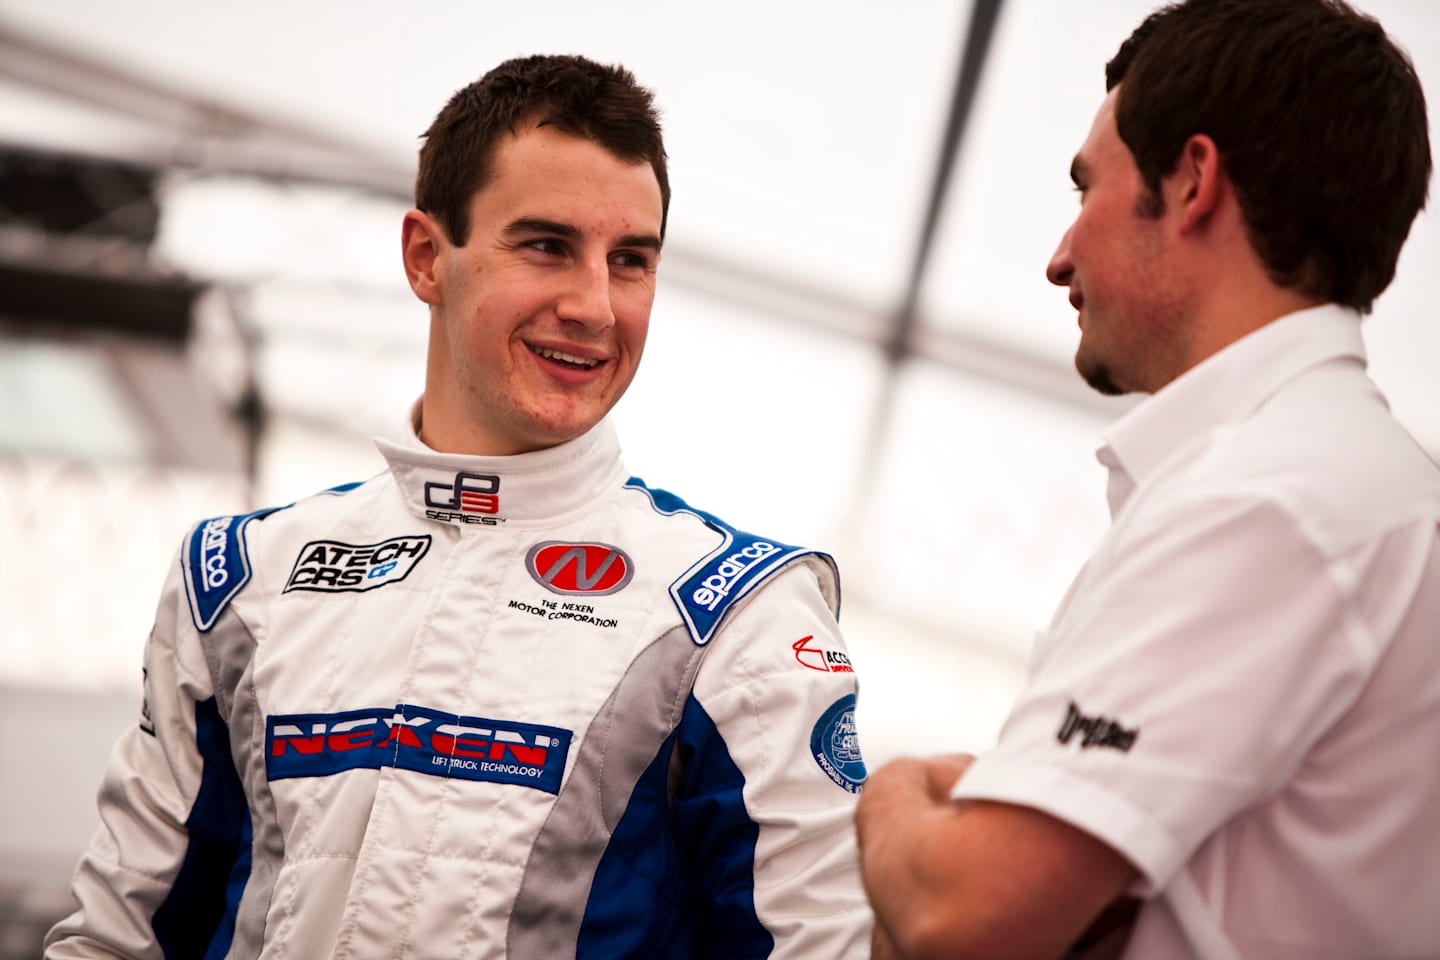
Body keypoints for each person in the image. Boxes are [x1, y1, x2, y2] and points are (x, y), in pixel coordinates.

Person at [47, 54, 872, 959]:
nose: (595, 306)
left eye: (629, 260)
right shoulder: (241, 580)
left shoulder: (733, 610)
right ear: (426, 257)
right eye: (548, 245)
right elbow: (118, 938)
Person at [856, 1, 1439, 957]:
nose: (1058, 257)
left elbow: (962, 916)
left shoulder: (1275, 498)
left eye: (1087, 188)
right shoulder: (1351, 484)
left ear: (1192, 181)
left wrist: (897, 790)